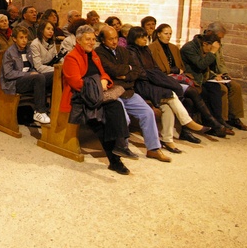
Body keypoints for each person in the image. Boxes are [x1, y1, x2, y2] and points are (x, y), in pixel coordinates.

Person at [60, 25, 136, 175]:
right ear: (78, 40)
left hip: (97, 95)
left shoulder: (94, 55)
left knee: (116, 107)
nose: (91, 42)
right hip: (81, 98)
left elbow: (104, 74)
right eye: (88, 39)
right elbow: (76, 83)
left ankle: (121, 146)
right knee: (101, 122)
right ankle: (115, 161)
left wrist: (104, 81)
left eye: (93, 39)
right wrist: (98, 85)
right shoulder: (71, 57)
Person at [96, 26, 171, 162]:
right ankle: (122, 148)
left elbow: (136, 70)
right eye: (110, 39)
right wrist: (126, 70)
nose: (114, 42)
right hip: (113, 93)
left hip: (128, 91)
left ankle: (153, 149)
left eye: (116, 38)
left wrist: (125, 75)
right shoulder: (99, 53)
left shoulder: (123, 51)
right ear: (102, 40)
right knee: (124, 118)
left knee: (147, 113)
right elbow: (111, 70)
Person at [127, 26, 211, 147]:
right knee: (170, 95)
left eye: (146, 36)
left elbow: (155, 68)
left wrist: (156, 75)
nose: (145, 39)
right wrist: (155, 76)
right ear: (134, 38)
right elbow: (139, 72)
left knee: (168, 106)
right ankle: (187, 122)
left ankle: (167, 139)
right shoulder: (130, 51)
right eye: (142, 37)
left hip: (151, 81)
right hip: (140, 85)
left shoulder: (145, 50)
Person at [149, 24, 228, 138]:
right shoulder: (152, 48)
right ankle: (212, 122)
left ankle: (187, 132)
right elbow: (153, 69)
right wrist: (171, 70)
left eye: (170, 34)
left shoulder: (173, 47)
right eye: (166, 33)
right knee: (193, 91)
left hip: (178, 78)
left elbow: (182, 66)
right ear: (159, 34)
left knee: (191, 100)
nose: (168, 36)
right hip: (162, 79)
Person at [180, 31, 235, 135]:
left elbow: (205, 69)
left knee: (215, 88)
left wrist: (215, 76)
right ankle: (213, 124)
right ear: (205, 43)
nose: (209, 51)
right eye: (210, 48)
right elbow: (201, 65)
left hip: (200, 78)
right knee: (206, 92)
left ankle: (218, 121)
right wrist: (212, 52)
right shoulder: (189, 48)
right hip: (191, 78)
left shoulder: (202, 46)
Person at [1, 26, 52, 124]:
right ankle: (39, 111)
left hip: (29, 78)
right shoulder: (9, 52)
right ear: (14, 39)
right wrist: (27, 74)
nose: (24, 40)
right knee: (39, 77)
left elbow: (31, 67)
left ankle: (54, 109)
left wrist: (32, 73)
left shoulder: (28, 49)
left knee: (53, 75)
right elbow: (8, 74)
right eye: (21, 38)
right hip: (14, 82)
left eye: (26, 37)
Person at [204, 22, 247, 131]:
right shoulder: (204, 43)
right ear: (211, 33)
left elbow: (221, 61)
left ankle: (234, 117)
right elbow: (203, 64)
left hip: (218, 75)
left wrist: (225, 74)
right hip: (207, 75)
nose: (220, 40)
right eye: (219, 37)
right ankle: (222, 120)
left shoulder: (218, 44)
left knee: (235, 87)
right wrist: (215, 76)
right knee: (222, 89)